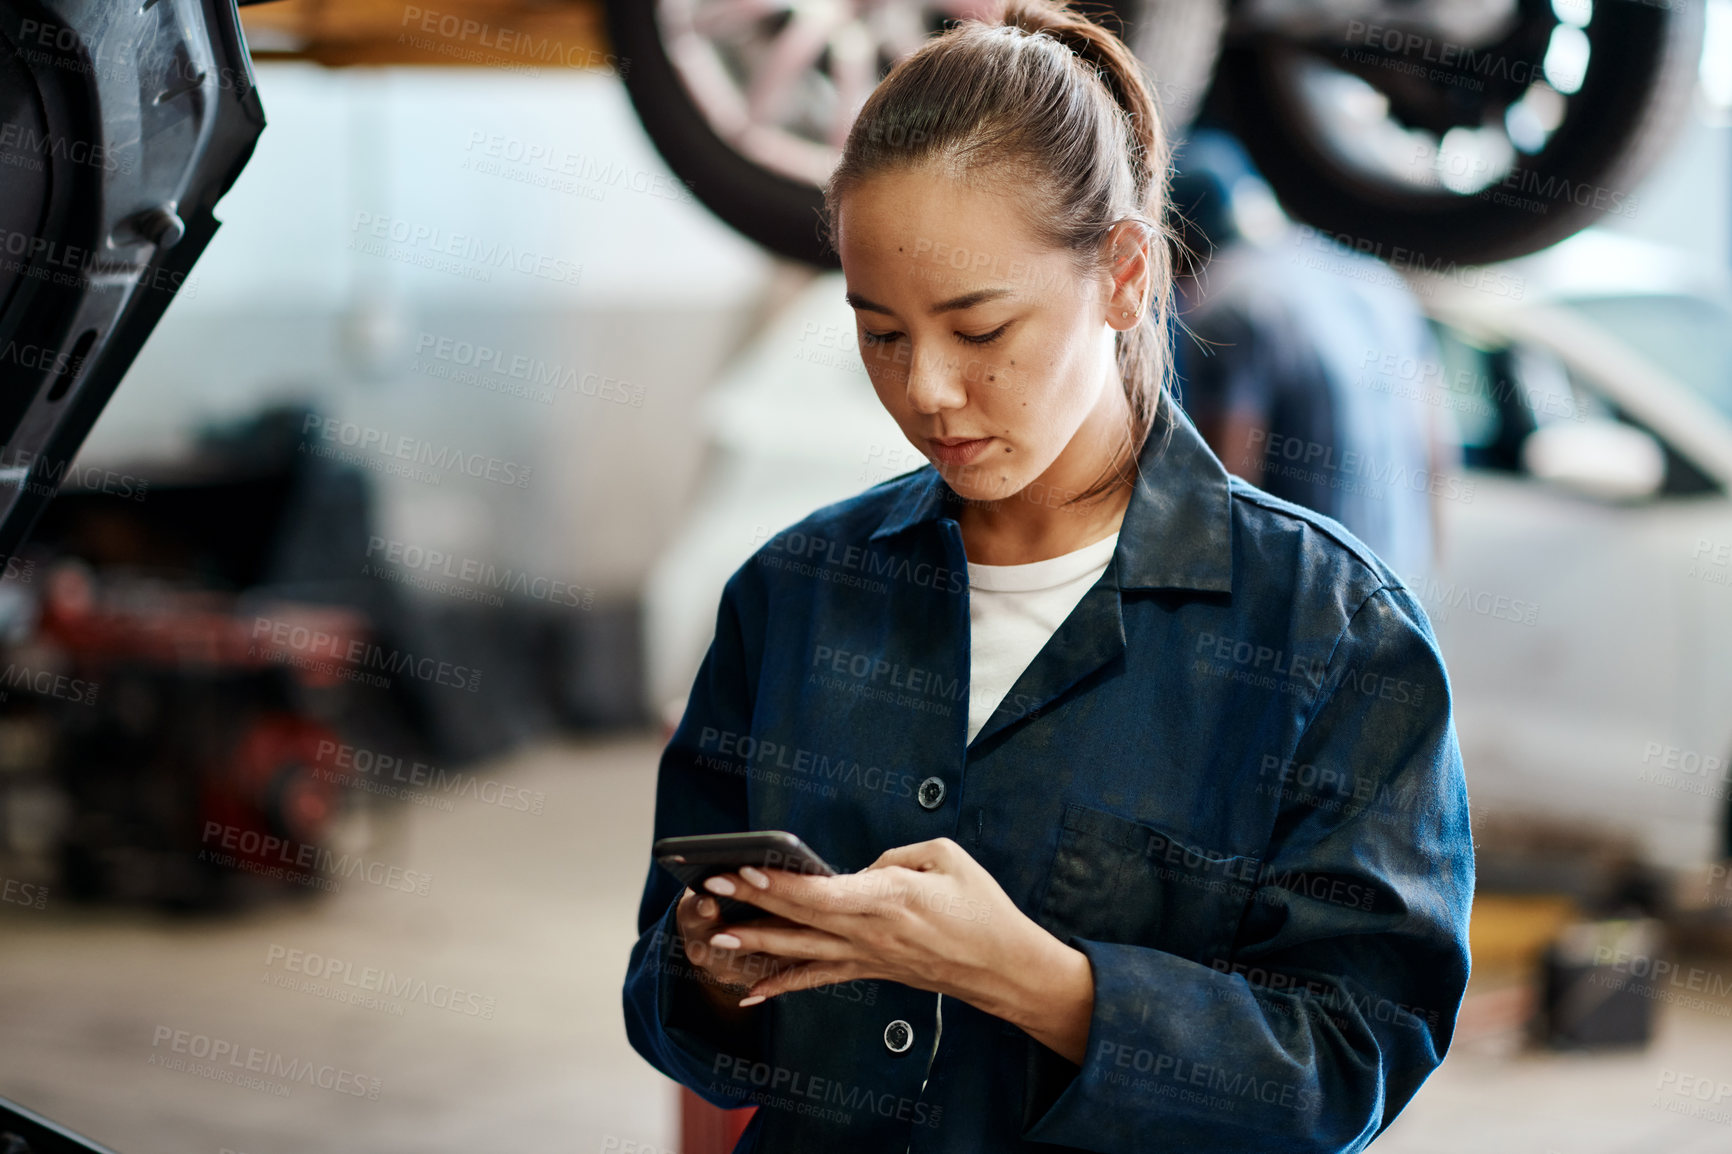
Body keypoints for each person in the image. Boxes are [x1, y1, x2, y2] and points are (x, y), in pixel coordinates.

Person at [622, 3, 1474, 1150]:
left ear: (1122, 274)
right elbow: (665, 998)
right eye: (880, 332)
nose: (925, 388)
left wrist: (1034, 977)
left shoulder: (1330, 634)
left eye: (979, 330)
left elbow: (1352, 1060)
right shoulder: (796, 591)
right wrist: (717, 969)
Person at [1171, 130, 1448, 580]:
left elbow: (1226, 483)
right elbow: (1437, 456)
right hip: (1397, 593)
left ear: (1178, 236)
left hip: (1306, 608)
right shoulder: (1377, 284)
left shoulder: (1231, 303)